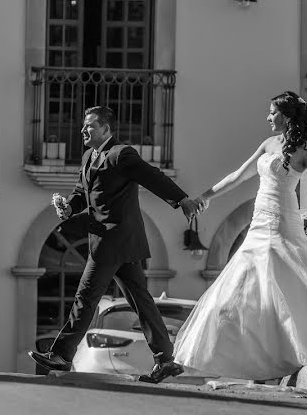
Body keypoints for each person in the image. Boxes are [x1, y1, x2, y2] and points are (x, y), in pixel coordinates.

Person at [173, 91, 307, 381]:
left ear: (286, 116)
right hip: (258, 222)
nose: (267, 117)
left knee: (288, 282)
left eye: (272, 112)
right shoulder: (267, 145)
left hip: (283, 222)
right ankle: (252, 354)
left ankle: (304, 347)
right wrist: (204, 196)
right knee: (245, 285)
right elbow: (238, 175)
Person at [29, 106, 199, 384]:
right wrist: (69, 208)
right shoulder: (88, 156)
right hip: (119, 243)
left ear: (106, 129)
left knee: (85, 297)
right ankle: (165, 361)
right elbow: (82, 193)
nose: (84, 131)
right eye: (84, 126)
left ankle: (61, 355)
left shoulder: (121, 154)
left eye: (90, 126)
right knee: (141, 301)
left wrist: (181, 200)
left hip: (112, 241)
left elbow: (151, 175)